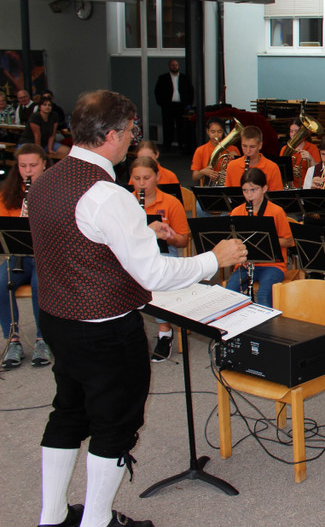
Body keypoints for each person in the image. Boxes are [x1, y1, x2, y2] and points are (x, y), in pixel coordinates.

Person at [31, 90, 245, 527]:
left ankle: (51, 518)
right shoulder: (108, 195)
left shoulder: (48, 180)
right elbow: (153, 276)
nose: (133, 139)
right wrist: (214, 260)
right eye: (131, 131)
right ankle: (96, 522)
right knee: (114, 426)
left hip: (57, 319)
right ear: (110, 135)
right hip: (105, 331)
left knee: (68, 413)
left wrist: (141, 230)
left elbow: (79, 241)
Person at [130, 157, 191, 362]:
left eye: (146, 178)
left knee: (155, 277)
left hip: (164, 254)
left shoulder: (171, 202)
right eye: (137, 178)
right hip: (133, 256)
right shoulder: (126, 203)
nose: (141, 183)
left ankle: (165, 332)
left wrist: (168, 235)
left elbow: (183, 241)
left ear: (157, 177)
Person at [0, 144, 49, 370]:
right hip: (18, 255)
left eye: (33, 165)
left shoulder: (55, 190)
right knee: (1, 282)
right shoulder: (9, 193)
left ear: (44, 164)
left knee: (41, 284)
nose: (28, 171)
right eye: (22, 166)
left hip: (46, 256)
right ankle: (13, 340)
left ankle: (43, 339)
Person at [224, 169, 293, 309]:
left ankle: (267, 329)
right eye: (245, 190)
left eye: (253, 190)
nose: (249, 195)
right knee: (229, 294)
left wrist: (264, 241)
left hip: (272, 265)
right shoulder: (237, 212)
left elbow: (288, 241)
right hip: (245, 264)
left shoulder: (276, 211)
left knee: (263, 294)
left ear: (264, 189)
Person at [223, 126, 284, 191]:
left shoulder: (272, 168)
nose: (248, 151)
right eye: (244, 146)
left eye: (252, 147)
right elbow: (228, 196)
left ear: (260, 145)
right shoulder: (232, 166)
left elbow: (275, 198)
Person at [153, 59, 194, 154]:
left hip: (181, 106)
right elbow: (157, 92)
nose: (174, 67)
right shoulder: (163, 78)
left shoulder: (184, 78)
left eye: (176, 65)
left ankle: (182, 146)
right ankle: (167, 146)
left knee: (181, 126)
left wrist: (189, 104)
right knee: (168, 126)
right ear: (169, 67)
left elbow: (191, 91)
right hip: (168, 106)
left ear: (178, 66)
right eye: (172, 65)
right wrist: (162, 103)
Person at [190, 118, 239, 185]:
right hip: (209, 186)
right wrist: (203, 172)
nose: (216, 135)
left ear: (223, 132)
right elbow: (194, 177)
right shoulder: (200, 150)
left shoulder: (233, 149)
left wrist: (236, 159)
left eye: (219, 132)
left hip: (229, 184)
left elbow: (240, 173)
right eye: (212, 132)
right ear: (207, 131)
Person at [281, 117, 321, 188]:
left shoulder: (312, 148)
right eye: (291, 131)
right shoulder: (284, 149)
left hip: (307, 187)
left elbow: (318, 173)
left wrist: (311, 159)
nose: (293, 134)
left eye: (296, 131)